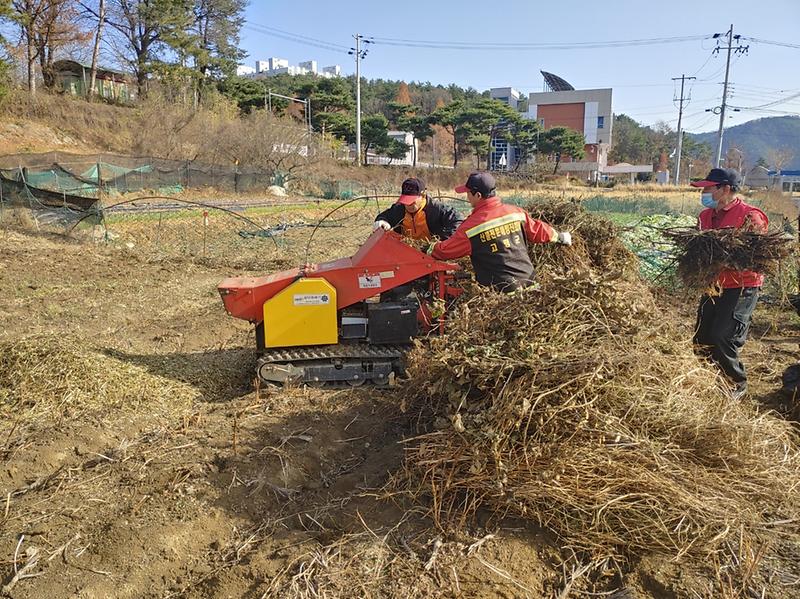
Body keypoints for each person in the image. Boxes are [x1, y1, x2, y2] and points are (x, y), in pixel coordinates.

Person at [690, 167, 768, 400]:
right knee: (701, 337)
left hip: (742, 285)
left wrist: (728, 255)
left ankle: (737, 383)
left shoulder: (750, 216)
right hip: (714, 283)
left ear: (726, 189)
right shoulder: (705, 217)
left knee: (724, 335)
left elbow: (757, 256)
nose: (703, 192)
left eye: (708, 188)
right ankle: (710, 379)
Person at [427, 171, 572, 292]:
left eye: (468, 193)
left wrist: (430, 249)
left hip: (500, 294)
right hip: (530, 285)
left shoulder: (471, 227)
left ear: (477, 195)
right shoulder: (516, 212)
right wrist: (560, 237)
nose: (467, 197)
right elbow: (539, 231)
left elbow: (446, 251)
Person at [374, 177, 462, 240]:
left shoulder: (437, 209)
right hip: (407, 251)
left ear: (423, 196)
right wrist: (382, 222)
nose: (408, 205)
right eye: (406, 201)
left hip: (431, 254)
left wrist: (442, 240)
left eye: (412, 201)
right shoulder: (399, 209)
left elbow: (457, 220)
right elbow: (384, 216)